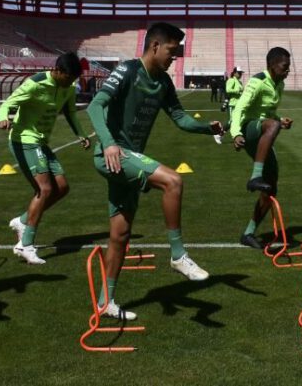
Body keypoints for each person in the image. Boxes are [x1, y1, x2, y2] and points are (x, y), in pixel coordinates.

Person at [86, 22, 223, 321]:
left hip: (129, 159)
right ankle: (178, 255)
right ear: (155, 46)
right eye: (172, 51)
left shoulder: (163, 82)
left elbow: (180, 119)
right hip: (113, 154)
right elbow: (95, 106)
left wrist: (205, 128)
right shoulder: (128, 71)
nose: (175, 57)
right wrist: (108, 144)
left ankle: (104, 302)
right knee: (173, 181)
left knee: (120, 235)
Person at [0, 53, 90, 264]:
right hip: (24, 140)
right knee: (45, 189)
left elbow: (70, 113)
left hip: (41, 143)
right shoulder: (35, 84)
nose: (70, 83)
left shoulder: (68, 88)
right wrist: (3, 117)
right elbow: (7, 104)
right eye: (68, 78)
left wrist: (81, 134)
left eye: (73, 79)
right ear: (57, 71)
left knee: (62, 187)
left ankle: (22, 221)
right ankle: (25, 244)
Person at [230, 47, 292, 248]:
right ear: (272, 65)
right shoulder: (257, 81)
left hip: (264, 130)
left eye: (288, 67)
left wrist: (280, 120)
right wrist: (236, 133)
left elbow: (269, 113)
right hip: (249, 130)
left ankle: (248, 233)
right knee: (272, 126)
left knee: (271, 188)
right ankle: (254, 176)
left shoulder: (279, 84)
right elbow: (240, 107)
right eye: (284, 67)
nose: (287, 70)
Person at [220, 67, 244, 143]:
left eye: (241, 73)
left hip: (239, 104)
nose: (240, 74)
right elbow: (228, 90)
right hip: (232, 104)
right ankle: (219, 134)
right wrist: (238, 91)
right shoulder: (231, 80)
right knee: (231, 121)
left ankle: (240, 136)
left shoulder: (239, 82)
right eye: (239, 73)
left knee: (240, 120)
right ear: (234, 73)